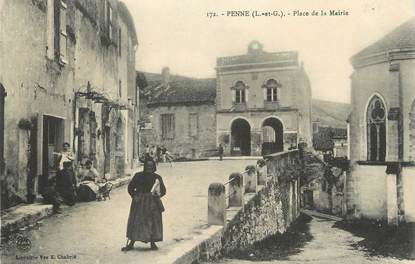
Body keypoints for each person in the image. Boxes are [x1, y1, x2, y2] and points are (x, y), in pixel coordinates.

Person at [122, 158, 166, 251]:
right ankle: (131, 243)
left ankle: (152, 243)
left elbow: (163, 191)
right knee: (136, 222)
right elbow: (130, 188)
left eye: (151, 166)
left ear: (154, 167)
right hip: (140, 202)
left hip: (153, 203)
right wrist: (135, 196)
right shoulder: (138, 176)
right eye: (147, 166)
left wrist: (157, 195)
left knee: (152, 222)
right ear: (144, 167)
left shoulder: (157, 177)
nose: (149, 168)